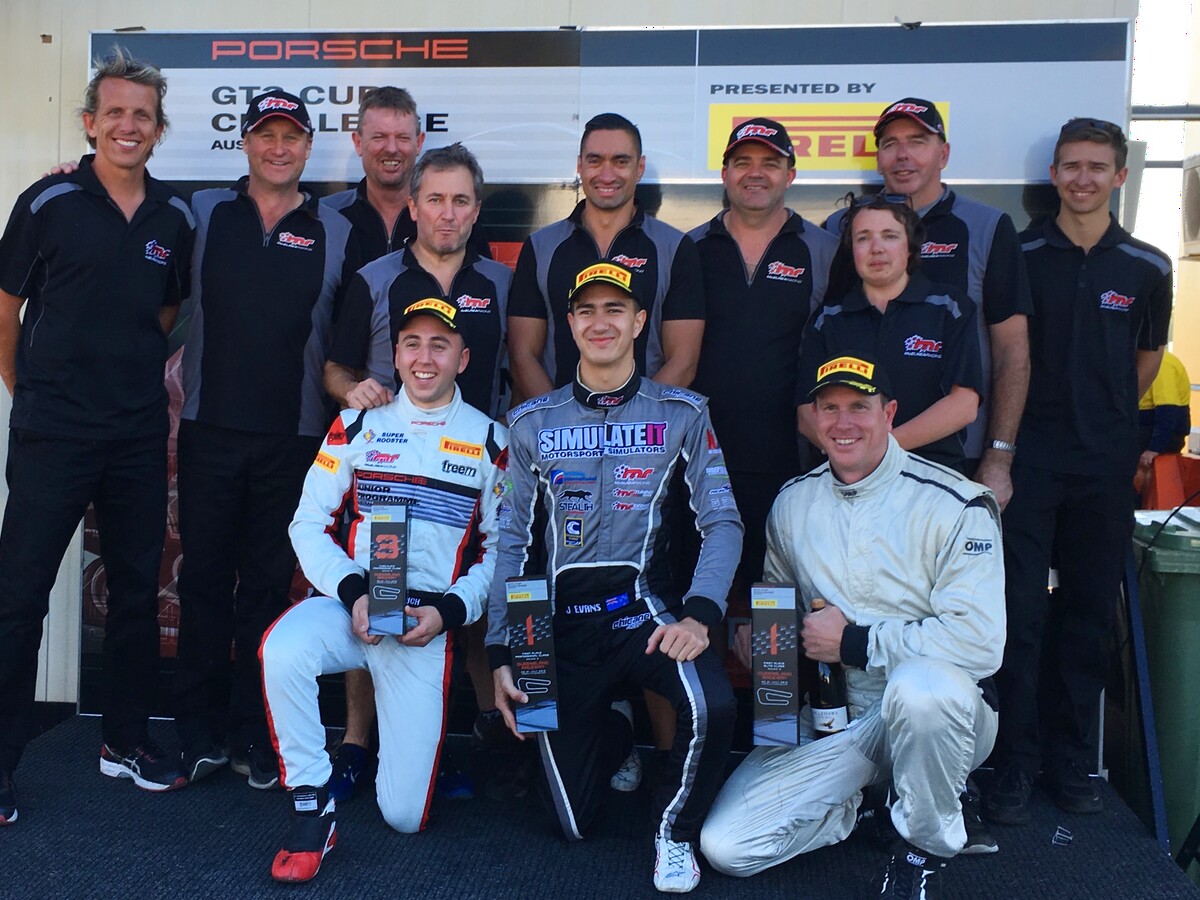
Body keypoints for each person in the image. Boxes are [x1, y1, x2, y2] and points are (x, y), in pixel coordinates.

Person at [700, 353, 1004, 899]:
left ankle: (921, 852)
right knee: (728, 847)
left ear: (889, 413)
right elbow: (780, 616)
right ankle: (869, 803)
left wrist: (854, 642)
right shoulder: (792, 503)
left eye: (859, 407)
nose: (843, 423)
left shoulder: (956, 503)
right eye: (829, 408)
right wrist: (764, 644)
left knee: (922, 690)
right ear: (813, 418)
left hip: (942, 714)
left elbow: (979, 643)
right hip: (837, 719)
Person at [489, 262, 739, 894]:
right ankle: (618, 728)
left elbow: (723, 522)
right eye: (587, 311)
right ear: (570, 324)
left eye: (615, 310)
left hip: (643, 615)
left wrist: (701, 614)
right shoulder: (530, 422)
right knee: (570, 824)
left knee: (713, 704)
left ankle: (674, 832)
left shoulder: (683, 413)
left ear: (639, 322)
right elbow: (512, 543)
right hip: (560, 629)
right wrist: (501, 650)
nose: (600, 323)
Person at [0, 50, 193, 821]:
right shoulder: (47, 201)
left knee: (137, 595)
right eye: (114, 112)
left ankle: (124, 740)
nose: (127, 125)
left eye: (141, 115)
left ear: (158, 129)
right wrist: (30, 394)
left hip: (137, 433)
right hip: (53, 432)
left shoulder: (174, 217)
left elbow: (163, 314)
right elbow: (5, 309)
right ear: (90, 123)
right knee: (19, 600)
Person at [261, 299, 507, 883]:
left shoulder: (492, 440)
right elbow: (306, 524)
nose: (424, 358)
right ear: (395, 355)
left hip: (426, 626)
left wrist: (449, 611)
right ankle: (311, 803)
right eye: (412, 343)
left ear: (463, 359)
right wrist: (354, 593)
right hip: (356, 608)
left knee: (403, 817)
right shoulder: (355, 424)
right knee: (282, 649)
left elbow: (503, 551)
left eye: (440, 345)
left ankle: (418, 753)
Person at [984, 118, 1172, 825]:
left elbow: (1146, 360)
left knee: (1089, 614)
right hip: (1029, 459)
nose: (1083, 178)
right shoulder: (1021, 251)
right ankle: (1015, 759)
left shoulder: (1149, 266)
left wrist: (1106, 416)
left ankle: (1070, 760)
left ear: (1119, 176)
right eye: (1071, 166)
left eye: (1097, 167)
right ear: (1054, 175)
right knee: (1020, 614)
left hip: (1103, 466)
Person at [173, 90, 359, 790]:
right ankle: (196, 733)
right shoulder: (202, 211)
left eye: (291, 136)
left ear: (308, 147)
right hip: (209, 429)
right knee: (203, 583)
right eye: (265, 134)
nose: (278, 148)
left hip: (294, 438)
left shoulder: (336, 228)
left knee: (265, 590)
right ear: (245, 142)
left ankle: (254, 733)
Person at [322, 141, 511, 800]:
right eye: (435, 199)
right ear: (413, 205)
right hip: (390, 470)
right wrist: (353, 392)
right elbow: (336, 368)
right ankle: (355, 745)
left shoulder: (502, 283)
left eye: (460, 201)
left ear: (476, 209)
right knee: (378, 600)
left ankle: (476, 738)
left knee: (472, 602)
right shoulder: (375, 279)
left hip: (472, 469)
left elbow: (524, 368)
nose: (447, 213)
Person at [825, 97, 1031, 507]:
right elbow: (826, 332)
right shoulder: (841, 227)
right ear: (878, 158)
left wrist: (998, 457)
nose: (903, 155)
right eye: (890, 144)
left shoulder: (986, 226)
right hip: (853, 460)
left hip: (956, 456)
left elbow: (1012, 352)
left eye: (917, 141)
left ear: (944, 154)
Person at [689, 116, 838, 620]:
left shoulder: (823, 250)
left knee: (777, 604)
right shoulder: (691, 247)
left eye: (770, 163)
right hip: (702, 457)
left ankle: (776, 678)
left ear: (790, 175)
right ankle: (699, 675)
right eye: (742, 162)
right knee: (700, 591)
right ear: (724, 174)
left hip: (790, 460)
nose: (755, 173)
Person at [506, 112, 705, 402]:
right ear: (580, 166)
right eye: (595, 160)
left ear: (639, 167)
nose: (607, 175)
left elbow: (683, 362)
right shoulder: (541, 247)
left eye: (621, 161)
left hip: (645, 426)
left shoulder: (674, 248)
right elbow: (522, 355)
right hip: (558, 427)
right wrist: (559, 417)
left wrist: (632, 419)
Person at [799, 195, 983, 471]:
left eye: (890, 236)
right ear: (851, 249)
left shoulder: (950, 308)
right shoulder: (828, 318)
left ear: (910, 246)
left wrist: (880, 450)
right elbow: (806, 413)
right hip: (847, 477)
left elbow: (964, 404)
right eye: (863, 238)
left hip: (930, 475)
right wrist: (851, 453)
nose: (877, 248)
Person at [320, 86, 491, 262]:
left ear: (419, 143)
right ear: (358, 142)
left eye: (402, 138)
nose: (392, 149)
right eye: (379, 137)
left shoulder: (453, 219)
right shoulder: (326, 216)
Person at [1138, 348, 1190, 464]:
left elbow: (1168, 411)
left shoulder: (1160, 364)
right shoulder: (1147, 362)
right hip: (1146, 430)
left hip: (1153, 435)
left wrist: (1154, 448)